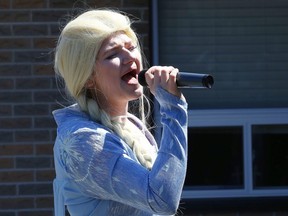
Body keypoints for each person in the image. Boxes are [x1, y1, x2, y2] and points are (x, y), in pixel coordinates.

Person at [53, 8, 188, 216]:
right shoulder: (83, 140)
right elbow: (162, 199)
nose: (129, 57)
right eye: (112, 54)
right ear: (88, 76)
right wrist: (173, 109)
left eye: (131, 47)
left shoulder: (132, 125)